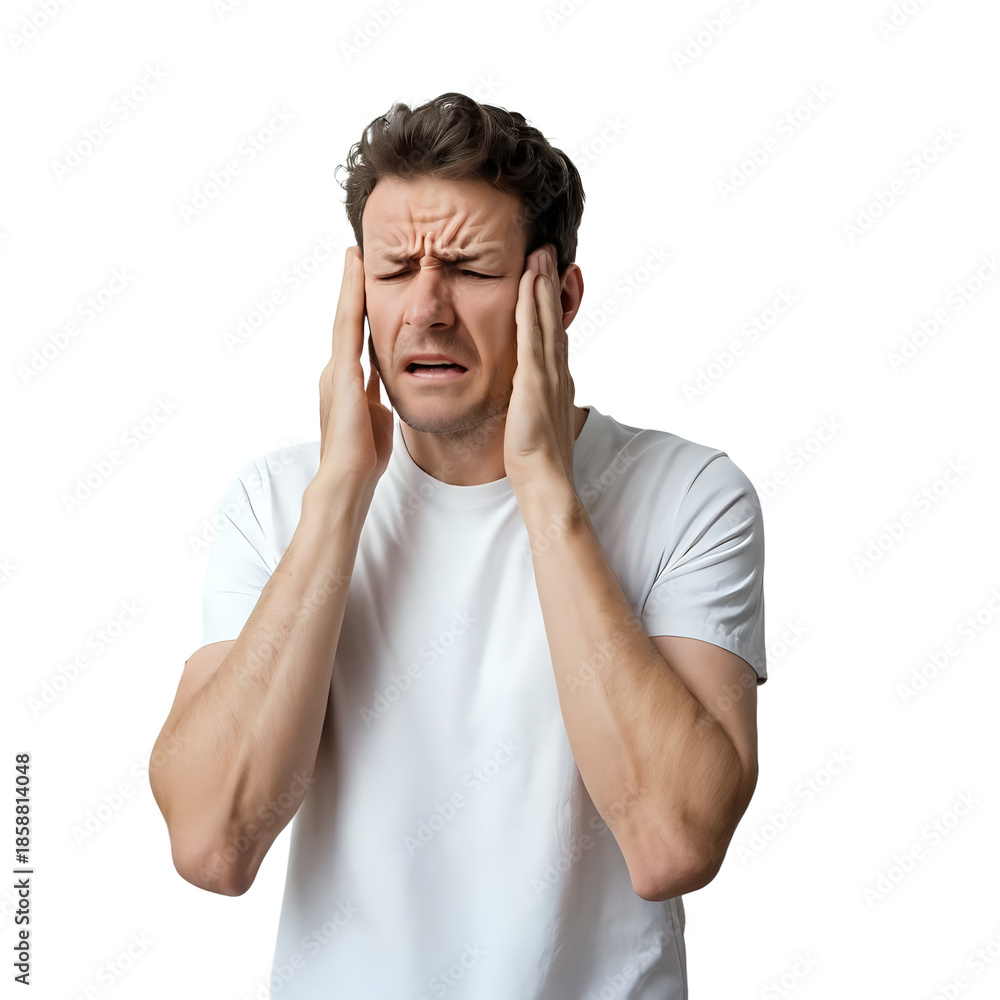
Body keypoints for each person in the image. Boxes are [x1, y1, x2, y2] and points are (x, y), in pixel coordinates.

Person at [150, 91, 767, 999]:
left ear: (557, 297)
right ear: (357, 293)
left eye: (472, 269)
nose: (426, 311)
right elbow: (213, 842)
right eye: (396, 270)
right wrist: (339, 501)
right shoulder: (279, 502)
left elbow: (672, 842)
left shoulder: (690, 496)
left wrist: (547, 489)